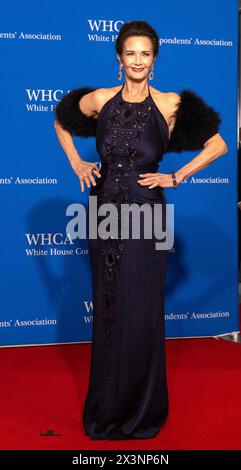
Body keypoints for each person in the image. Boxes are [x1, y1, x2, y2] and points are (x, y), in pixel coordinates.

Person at [54, 21, 228, 440]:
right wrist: (77, 162)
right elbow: (61, 119)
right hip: (104, 213)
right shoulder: (100, 99)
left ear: (154, 59)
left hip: (148, 215)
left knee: (143, 310)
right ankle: (107, 408)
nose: (137, 61)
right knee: (109, 307)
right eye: (130, 53)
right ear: (119, 58)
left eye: (145, 54)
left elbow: (219, 143)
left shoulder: (169, 104)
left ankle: (142, 409)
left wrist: (177, 175)